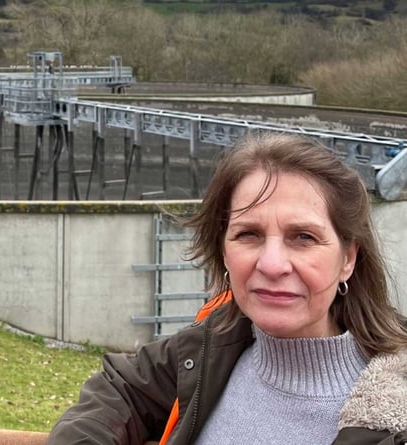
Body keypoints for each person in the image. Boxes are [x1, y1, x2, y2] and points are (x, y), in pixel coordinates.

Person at [47, 132, 407, 445]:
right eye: (248, 234)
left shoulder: (395, 403)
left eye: (303, 237)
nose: (271, 264)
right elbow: (119, 389)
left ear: (348, 258)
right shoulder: (214, 347)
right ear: (223, 250)